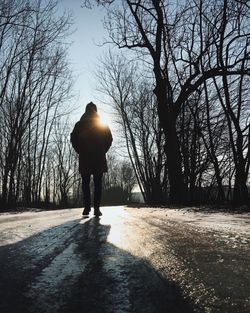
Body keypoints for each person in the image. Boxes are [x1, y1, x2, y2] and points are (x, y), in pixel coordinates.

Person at [70, 102, 112, 216]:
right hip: (99, 156)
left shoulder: (79, 124)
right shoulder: (102, 123)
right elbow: (109, 138)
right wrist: (103, 150)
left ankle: (87, 207)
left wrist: (80, 150)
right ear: (95, 110)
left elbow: (73, 139)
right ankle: (97, 209)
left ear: (86, 110)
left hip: (85, 157)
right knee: (98, 183)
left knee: (85, 182)